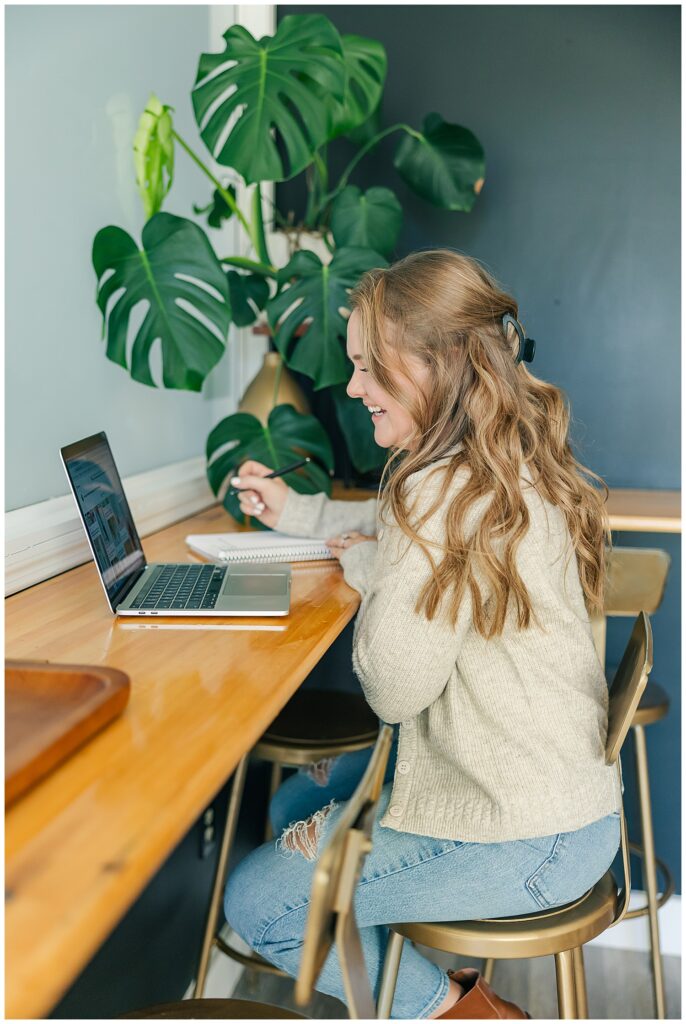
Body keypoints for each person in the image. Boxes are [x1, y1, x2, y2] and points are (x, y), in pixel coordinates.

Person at [223, 249, 621, 1019]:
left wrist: (378, 570)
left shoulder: (436, 487)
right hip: (563, 808)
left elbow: (393, 688)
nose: (353, 387)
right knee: (286, 814)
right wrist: (311, 520)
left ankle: (454, 1013)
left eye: (370, 366)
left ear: (437, 364)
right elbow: (402, 542)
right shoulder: (494, 456)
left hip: (523, 835)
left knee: (260, 900)